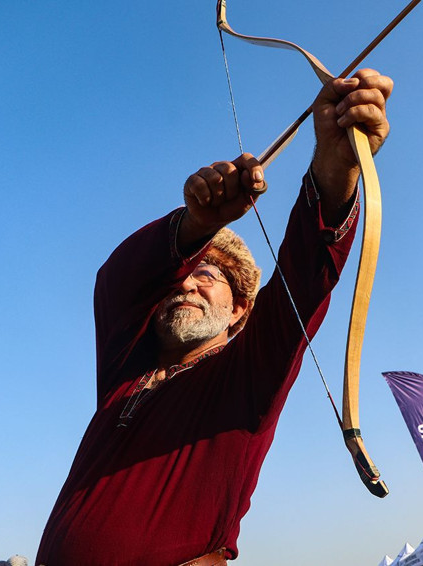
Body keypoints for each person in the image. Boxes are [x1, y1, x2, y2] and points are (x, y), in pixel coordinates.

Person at [35, 68, 394, 566]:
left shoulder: (244, 378)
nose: (186, 282)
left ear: (240, 308)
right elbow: (115, 284)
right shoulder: (126, 374)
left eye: (209, 276)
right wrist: (196, 224)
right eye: (182, 273)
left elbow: (302, 284)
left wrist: (335, 169)